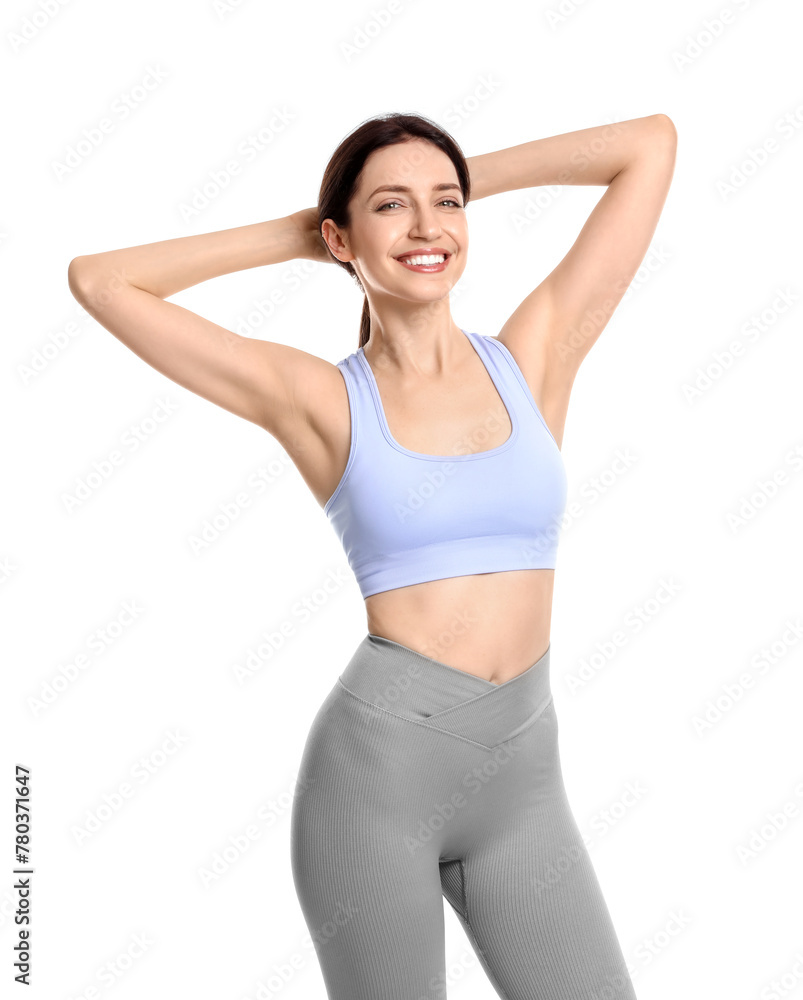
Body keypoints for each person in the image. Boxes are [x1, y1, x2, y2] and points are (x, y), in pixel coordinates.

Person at [68, 110, 677, 1000]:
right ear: (340, 235)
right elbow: (101, 280)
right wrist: (308, 234)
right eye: (392, 206)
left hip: (525, 781)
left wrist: (452, 184)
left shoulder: (534, 358)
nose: (428, 227)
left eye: (447, 205)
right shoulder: (317, 398)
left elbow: (647, 146)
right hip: (375, 787)